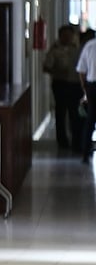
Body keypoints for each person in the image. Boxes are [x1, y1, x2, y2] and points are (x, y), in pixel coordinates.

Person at [42, 24, 83, 152]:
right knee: (60, 111)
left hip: (75, 84)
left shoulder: (78, 48)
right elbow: (46, 67)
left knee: (75, 113)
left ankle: (76, 140)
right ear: (60, 36)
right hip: (60, 84)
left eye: (69, 35)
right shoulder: (55, 50)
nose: (67, 38)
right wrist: (57, 71)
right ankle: (62, 141)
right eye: (64, 35)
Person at [77, 32, 96, 162]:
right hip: (92, 86)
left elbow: (81, 69)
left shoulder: (90, 45)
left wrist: (85, 88)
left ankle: (85, 153)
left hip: (92, 86)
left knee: (90, 119)